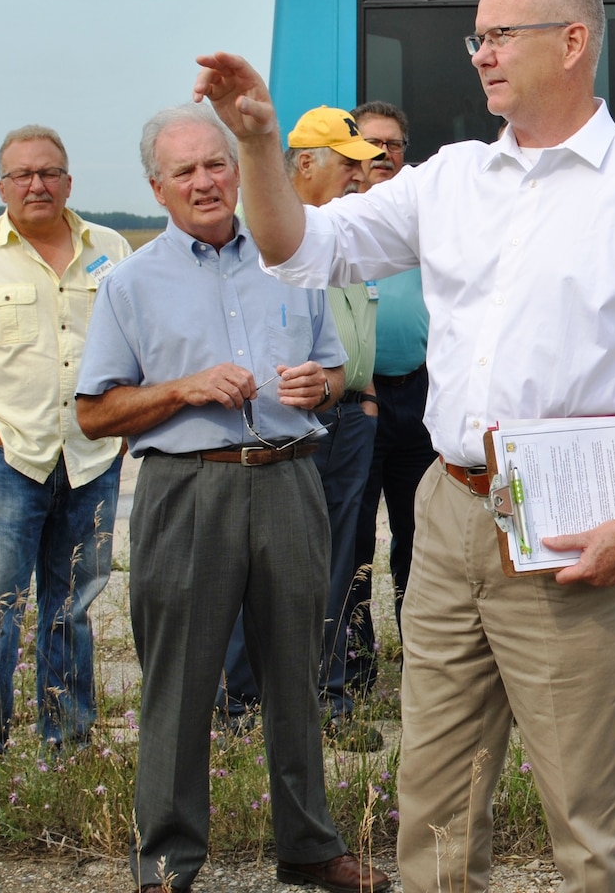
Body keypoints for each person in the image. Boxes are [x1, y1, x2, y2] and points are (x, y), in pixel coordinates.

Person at [191, 0, 615, 893]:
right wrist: (253, 144)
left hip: (574, 530)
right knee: (436, 799)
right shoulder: (451, 178)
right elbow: (301, 249)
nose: (480, 55)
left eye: (499, 36)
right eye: (476, 39)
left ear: (572, 43)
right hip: (450, 512)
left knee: (588, 814)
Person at [74, 104, 387, 893]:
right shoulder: (132, 284)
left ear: (240, 169)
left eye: (217, 164)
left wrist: (323, 388)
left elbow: (328, 378)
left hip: (289, 480)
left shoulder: (292, 264)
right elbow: (95, 410)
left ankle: (311, 847)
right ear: (158, 187)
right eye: (185, 171)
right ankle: (168, 862)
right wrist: (181, 390)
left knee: (296, 675)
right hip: (190, 490)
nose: (206, 182)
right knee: (178, 684)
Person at [0, 126, 129, 764]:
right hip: (7, 462)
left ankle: (67, 745)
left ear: (69, 181)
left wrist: (118, 431)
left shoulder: (113, 248)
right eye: (22, 175)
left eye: (49, 173)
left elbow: (137, 349)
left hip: (91, 460)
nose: (36, 184)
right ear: (2, 186)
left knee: (72, 607)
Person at [217, 106, 384, 743]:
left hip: (348, 418)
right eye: (347, 163)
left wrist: (361, 398)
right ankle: (240, 704)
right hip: (286, 427)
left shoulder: (348, 232)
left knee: (339, 562)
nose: (359, 175)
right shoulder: (271, 238)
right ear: (306, 163)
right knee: (262, 565)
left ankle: (327, 696)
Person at [349, 100, 438, 673]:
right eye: (372, 144)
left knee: (421, 538)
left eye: (395, 144)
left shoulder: (428, 214)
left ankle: (423, 660)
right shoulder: (339, 219)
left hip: (424, 393)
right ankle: (353, 665)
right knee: (355, 540)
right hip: (358, 400)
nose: (384, 155)